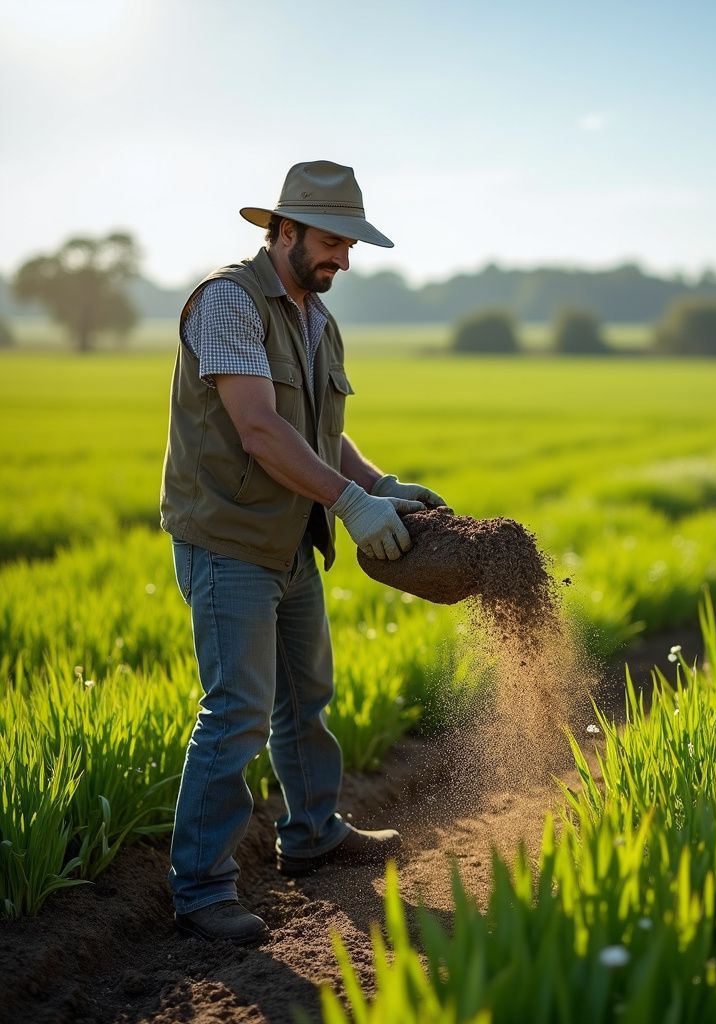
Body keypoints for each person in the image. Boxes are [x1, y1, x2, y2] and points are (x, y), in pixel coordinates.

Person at [159, 160, 447, 945]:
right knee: (237, 713)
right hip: (229, 539)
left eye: (351, 245)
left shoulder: (314, 314)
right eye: (331, 241)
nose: (344, 260)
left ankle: (313, 833)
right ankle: (201, 888)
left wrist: (378, 480)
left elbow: (320, 428)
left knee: (304, 696)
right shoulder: (228, 303)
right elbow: (259, 429)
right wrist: (351, 504)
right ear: (281, 231)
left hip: (290, 540)